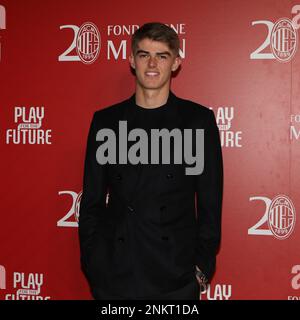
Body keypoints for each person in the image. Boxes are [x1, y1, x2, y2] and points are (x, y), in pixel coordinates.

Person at [78, 22, 223, 300]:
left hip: (176, 276)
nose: (152, 63)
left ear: (176, 62)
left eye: (162, 55)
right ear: (132, 60)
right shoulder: (106, 122)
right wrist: (94, 261)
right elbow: (92, 201)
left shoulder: (197, 122)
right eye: (144, 55)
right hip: (116, 274)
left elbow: (210, 204)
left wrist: (200, 270)